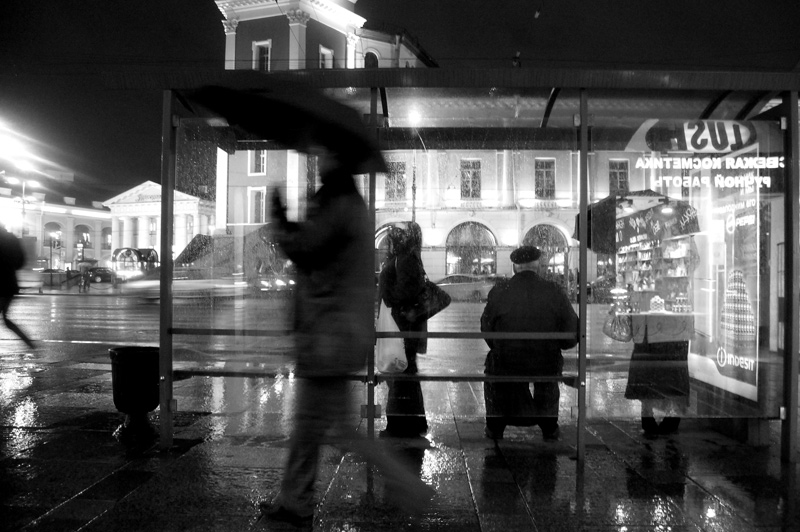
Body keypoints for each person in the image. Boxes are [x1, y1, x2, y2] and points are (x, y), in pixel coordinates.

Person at [262, 148, 434, 526]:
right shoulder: (344, 202)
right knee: (310, 426)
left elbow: (307, 249)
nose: (319, 159)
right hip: (332, 331)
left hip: (329, 334)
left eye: (325, 154)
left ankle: (410, 487)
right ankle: (294, 499)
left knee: (339, 430)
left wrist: (279, 215)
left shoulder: (338, 203)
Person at [480, 245, 578, 441]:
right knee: (548, 382)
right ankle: (549, 427)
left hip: (507, 359)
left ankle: (495, 427)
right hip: (545, 359)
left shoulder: (500, 290)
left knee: (496, 377)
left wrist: (500, 346)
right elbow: (570, 330)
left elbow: (486, 327)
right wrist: (556, 345)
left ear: (515, 267)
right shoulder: (553, 290)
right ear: (538, 266)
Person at [378, 221, 429, 437]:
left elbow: (404, 293)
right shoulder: (406, 259)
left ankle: (399, 425)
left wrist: (388, 296)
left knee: (400, 374)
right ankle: (413, 423)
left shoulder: (405, 260)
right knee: (405, 374)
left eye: (390, 241)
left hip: (402, 328)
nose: (387, 245)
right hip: (404, 327)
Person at [0, 223, 35, 349]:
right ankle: (29, 343)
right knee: (6, 319)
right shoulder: (13, 239)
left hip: (2, 284)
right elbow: (21, 262)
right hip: (9, 283)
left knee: (6, 319)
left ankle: (29, 343)